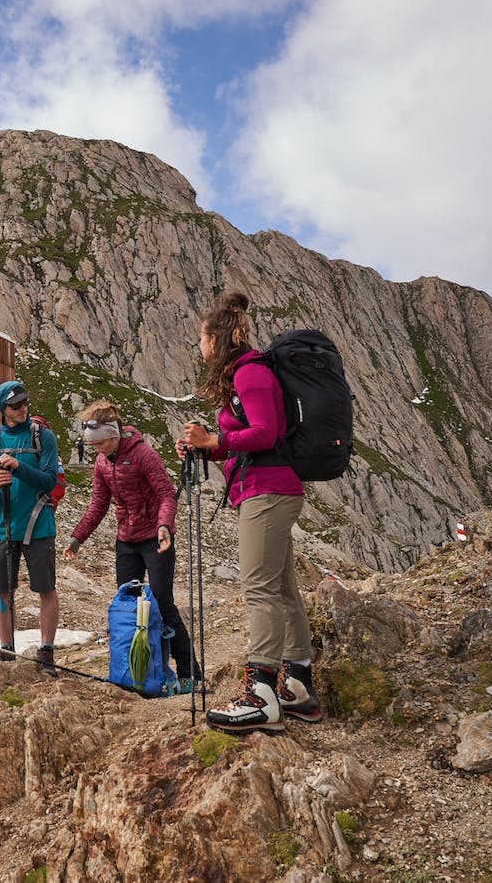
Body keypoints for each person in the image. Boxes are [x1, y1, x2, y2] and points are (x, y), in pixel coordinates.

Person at [176, 291, 321, 733]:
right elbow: (249, 443)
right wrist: (207, 450)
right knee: (280, 587)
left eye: (202, 338)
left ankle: (260, 694)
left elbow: (265, 433)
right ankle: (296, 685)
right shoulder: (246, 376)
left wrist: (213, 442)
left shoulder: (251, 375)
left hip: (267, 492)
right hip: (268, 488)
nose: (199, 347)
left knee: (258, 588)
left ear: (217, 339)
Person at [62, 401, 199, 692]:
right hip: (126, 540)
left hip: (154, 538)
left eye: (100, 442)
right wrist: (77, 538)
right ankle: (134, 670)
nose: (96, 448)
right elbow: (98, 505)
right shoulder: (101, 462)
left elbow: (166, 495)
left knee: (162, 602)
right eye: (93, 443)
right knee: (128, 606)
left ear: (114, 434)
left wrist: (164, 527)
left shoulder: (143, 455)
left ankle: (189, 671)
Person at [0, 380, 62, 676]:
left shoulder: (44, 437)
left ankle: (46, 652)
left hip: (39, 525)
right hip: (2, 527)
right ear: (3, 409)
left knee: (46, 589)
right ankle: (6, 651)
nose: (23, 409)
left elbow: (50, 480)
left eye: (24, 403)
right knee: (4, 591)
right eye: (15, 406)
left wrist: (17, 467)